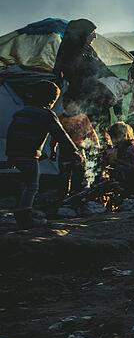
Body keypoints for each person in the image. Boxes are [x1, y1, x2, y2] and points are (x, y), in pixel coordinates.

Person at [5, 81, 82, 228]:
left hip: (16, 153)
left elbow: (12, 133)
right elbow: (62, 136)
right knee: (32, 185)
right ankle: (25, 216)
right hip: (29, 156)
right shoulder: (48, 115)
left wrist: (11, 155)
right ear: (51, 101)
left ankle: (20, 209)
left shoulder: (22, 112)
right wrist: (75, 152)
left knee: (24, 183)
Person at [53, 18, 118, 134]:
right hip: (80, 103)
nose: (95, 37)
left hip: (98, 100)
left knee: (101, 133)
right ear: (82, 34)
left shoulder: (89, 50)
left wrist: (117, 80)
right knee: (83, 134)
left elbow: (103, 69)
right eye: (92, 33)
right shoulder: (70, 53)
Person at [103, 121, 134, 191]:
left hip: (133, 181)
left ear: (125, 135)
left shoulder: (132, 149)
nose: (115, 140)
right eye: (113, 137)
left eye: (117, 136)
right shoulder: (117, 149)